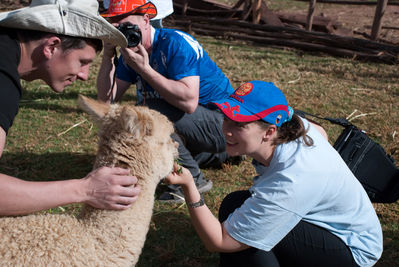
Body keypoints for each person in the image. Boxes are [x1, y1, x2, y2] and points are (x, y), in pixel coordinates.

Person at [165, 81, 383, 266]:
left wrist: (189, 187)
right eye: (226, 118)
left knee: (240, 231)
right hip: (343, 227)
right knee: (235, 205)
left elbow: (219, 241)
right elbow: (321, 133)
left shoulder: (291, 180)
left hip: (353, 251)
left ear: (269, 131)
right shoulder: (293, 125)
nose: (226, 130)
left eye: (239, 124)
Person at [0, 0, 141, 216]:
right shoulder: (3, 84)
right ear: (51, 47)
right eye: (82, 61)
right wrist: (85, 189)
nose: (85, 76)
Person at [98, 0, 236, 203]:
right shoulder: (131, 51)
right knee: (132, 121)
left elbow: (189, 102)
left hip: (225, 125)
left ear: (146, 20)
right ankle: (222, 156)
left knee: (149, 112)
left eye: (127, 25)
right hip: (197, 128)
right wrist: (108, 55)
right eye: (116, 27)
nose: (123, 32)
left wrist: (144, 69)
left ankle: (191, 180)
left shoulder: (175, 43)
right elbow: (107, 100)